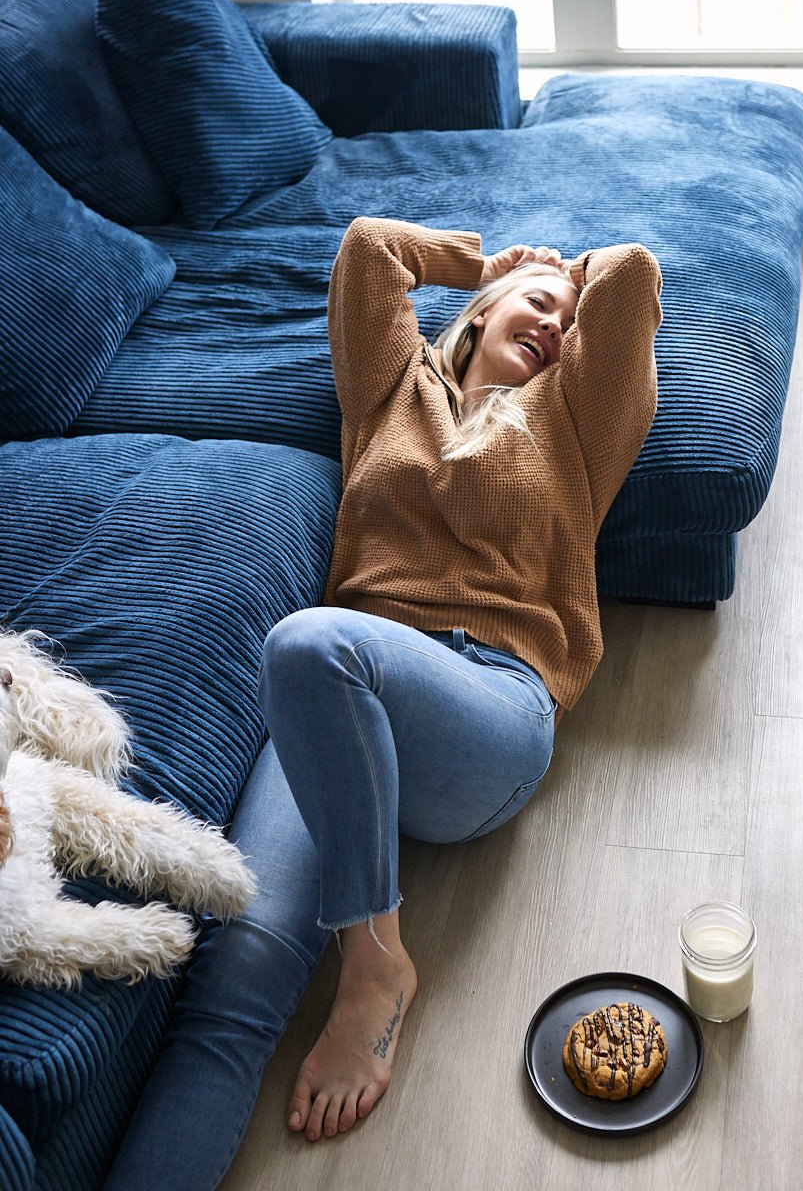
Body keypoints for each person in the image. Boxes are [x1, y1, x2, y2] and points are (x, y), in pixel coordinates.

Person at [106, 216, 660, 1185]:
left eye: (567, 324)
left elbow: (631, 276)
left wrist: (560, 276)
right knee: (228, 992)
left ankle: (374, 963)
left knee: (309, 642)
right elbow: (369, 249)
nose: (555, 327)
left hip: (483, 706)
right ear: (479, 313)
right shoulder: (390, 390)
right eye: (536, 307)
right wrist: (488, 263)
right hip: (333, 707)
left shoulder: (575, 421)